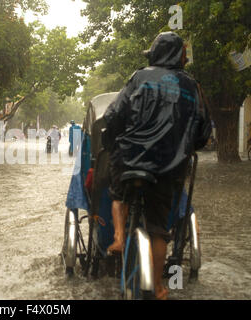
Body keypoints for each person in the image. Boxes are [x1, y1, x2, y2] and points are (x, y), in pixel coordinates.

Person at [102, 32, 211, 300]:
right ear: (179, 57)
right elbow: (202, 132)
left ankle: (118, 237)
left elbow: (114, 115)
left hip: (129, 160)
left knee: (119, 193)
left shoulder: (139, 77)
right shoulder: (192, 86)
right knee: (159, 228)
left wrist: (110, 140)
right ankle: (160, 287)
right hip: (169, 167)